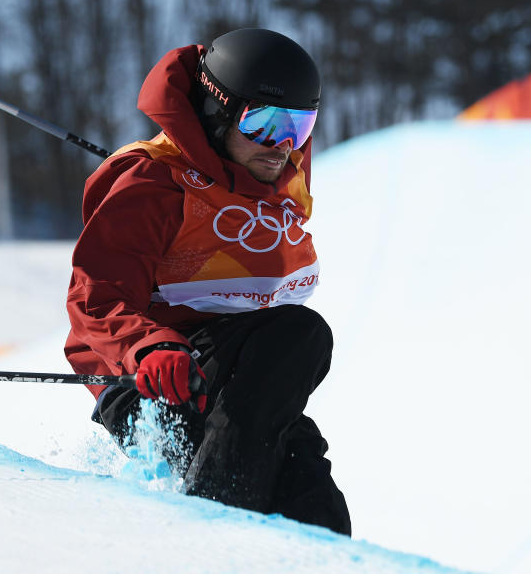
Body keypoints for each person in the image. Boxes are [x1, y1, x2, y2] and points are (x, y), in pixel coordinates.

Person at [64, 28, 351, 535]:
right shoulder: (153, 186)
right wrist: (148, 348)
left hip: (241, 385)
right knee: (301, 334)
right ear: (218, 112)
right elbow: (96, 298)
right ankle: (208, 538)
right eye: (263, 122)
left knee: (316, 508)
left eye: (299, 128)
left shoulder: (272, 181)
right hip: (151, 383)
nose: (282, 146)